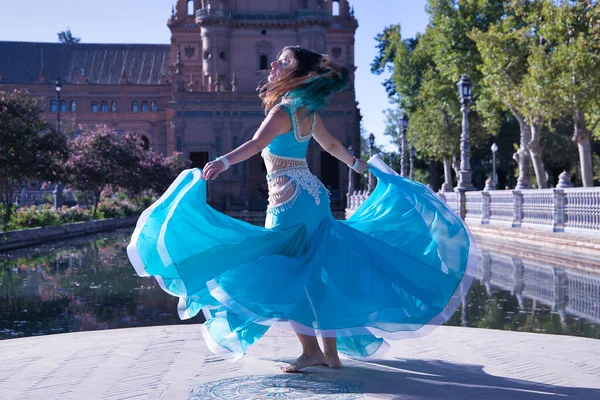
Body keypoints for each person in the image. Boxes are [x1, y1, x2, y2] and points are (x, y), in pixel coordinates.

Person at [128, 45, 475, 373]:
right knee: (319, 271)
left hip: (287, 202)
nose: (274, 65)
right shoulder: (307, 111)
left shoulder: (282, 110)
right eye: (276, 60)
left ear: (298, 74)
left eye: (283, 61)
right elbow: (331, 145)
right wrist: (358, 165)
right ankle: (330, 355)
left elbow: (254, 144)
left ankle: (312, 353)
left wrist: (222, 161)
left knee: (287, 274)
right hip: (314, 196)